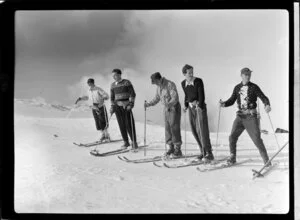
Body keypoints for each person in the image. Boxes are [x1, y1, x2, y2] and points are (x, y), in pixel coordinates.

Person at [219, 67, 272, 165]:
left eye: (249, 74)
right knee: (232, 137)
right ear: (241, 75)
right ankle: (232, 157)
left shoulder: (254, 87)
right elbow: (232, 100)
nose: (248, 76)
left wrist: (267, 104)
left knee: (256, 139)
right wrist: (224, 104)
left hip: (251, 117)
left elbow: (263, 97)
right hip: (240, 116)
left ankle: (266, 161)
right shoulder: (237, 87)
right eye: (246, 75)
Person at [181, 64, 214, 162]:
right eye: (189, 73)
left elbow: (202, 95)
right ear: (184, 74)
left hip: (200, 107)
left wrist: (199, 106)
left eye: (192, 72)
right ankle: (202, 151)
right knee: (194, 130)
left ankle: (209, 153)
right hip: (191, 108)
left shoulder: (198, 81)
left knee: (202, 130)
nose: (191, 74)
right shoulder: (183, 83)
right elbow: (186, 96)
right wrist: (185, 106)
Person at [144, 72, 183, 158]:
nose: (155, 84)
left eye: (155, 82)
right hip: (166, 109)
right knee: (168, 127)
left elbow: (175, 97)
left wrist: (169, 104)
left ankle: (178, 149)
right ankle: (171, 147)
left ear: (159, 79)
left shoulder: (170, 84)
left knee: (174, 127)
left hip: (173, 107)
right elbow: (157, 98)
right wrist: (149, 104)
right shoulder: (158, 87)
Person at [110, 69, 138, 151]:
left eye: (115, 75)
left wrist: (131, 104)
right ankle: (126, 141)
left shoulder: (126, 82)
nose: (114, 77)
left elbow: (132, 93)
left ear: (119, 75)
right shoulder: (112, 85)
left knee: (129, 124)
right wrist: (112, 106)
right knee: (121, 124)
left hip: (126, 106)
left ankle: (134, 142)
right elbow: (112, 97)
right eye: (113, 76)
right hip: (117, 106)